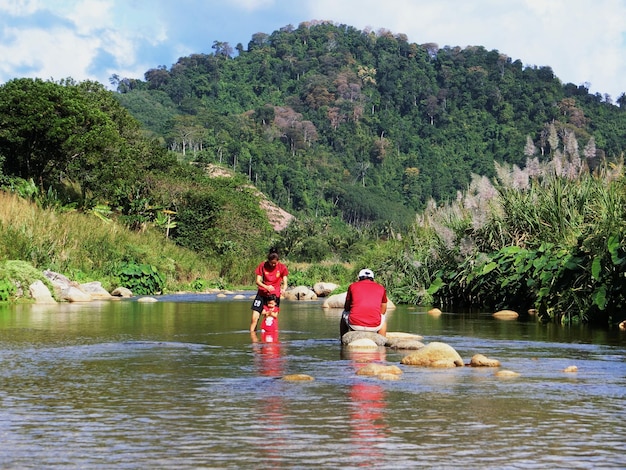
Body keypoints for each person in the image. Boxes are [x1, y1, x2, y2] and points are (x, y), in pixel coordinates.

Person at [340, 268, 388, 338]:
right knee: (383, 318)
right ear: (373, 278)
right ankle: (382, 341)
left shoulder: (352, 286)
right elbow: (383, 310)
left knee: (344, 313)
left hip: (355, 325)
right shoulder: (381, 288)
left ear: (359, 278)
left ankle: (343, 339)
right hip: (374, 326)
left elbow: (347, 308)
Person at [249, 248, 288, 332]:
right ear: (268, 260)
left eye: (275, 263)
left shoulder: (282, 267)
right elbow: (258, 281)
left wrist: (284, 289)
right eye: (271, 263)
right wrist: (266, 287)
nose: (273, 265)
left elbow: (285, 283)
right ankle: (253, 338)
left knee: (270, 319)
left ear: (278, 261)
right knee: (254, 318)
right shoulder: (262, 265)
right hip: (262, 294)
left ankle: (269, 341)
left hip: (274, 297)